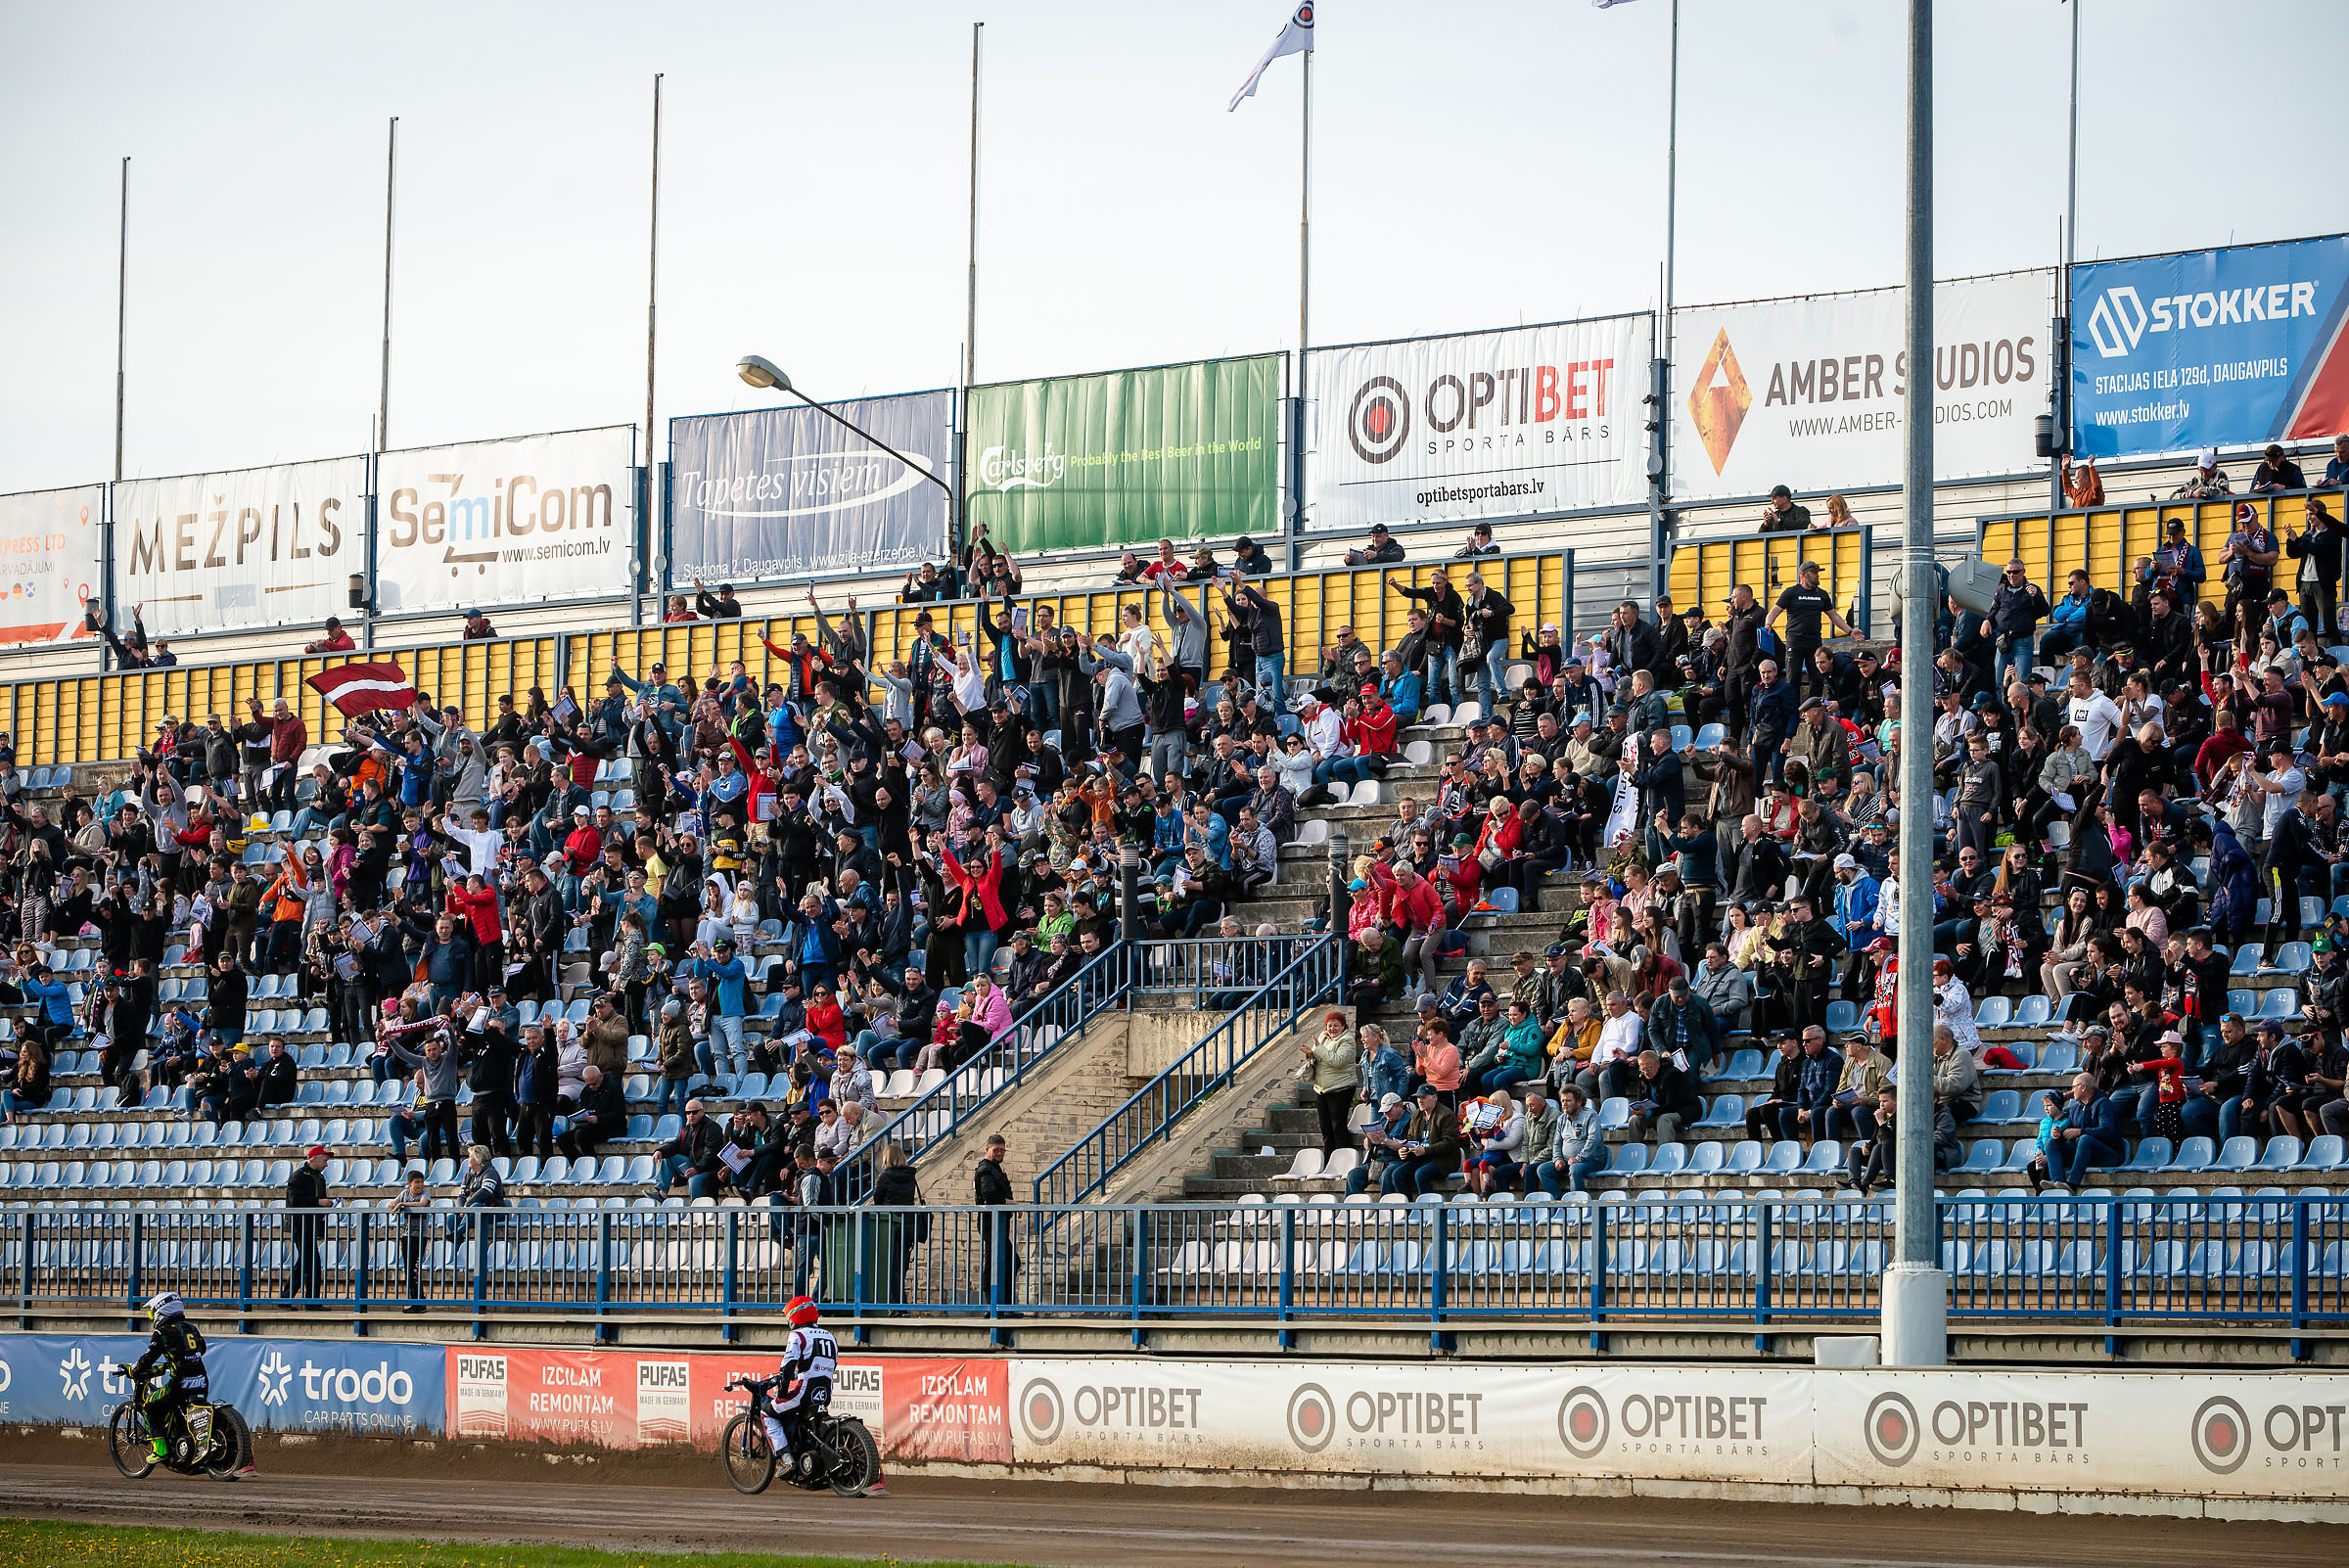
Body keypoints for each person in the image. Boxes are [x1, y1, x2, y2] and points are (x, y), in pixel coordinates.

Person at [124, 1292, 211, 1463]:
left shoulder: (162, 1333)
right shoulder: (191, 1328)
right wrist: (171, 1364)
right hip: (201, 1382)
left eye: (152, 1313)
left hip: (179, 1385)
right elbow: (201, 1349)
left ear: (160, 1311)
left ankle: (160, 1450)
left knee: (150, 1406)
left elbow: (147, 1359)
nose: (151, 1317)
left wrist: (133, 1370)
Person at [759, 1295, 839, 1478]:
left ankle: (787, 1460)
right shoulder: (830, 1337)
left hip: (804, 1393)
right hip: (825, 1393)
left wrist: (783, 1392)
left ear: (795, 1317)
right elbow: (824, 1366)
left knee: (767, 1413)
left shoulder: (797, 1335)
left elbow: (787, 1368)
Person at [283, 1144, 333, 1306]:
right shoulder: (299, 1176)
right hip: (300, 1224)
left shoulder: (318, 1177)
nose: (326, 1164)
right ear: (314, 1159)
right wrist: (318, 1202)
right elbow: (294, 1200)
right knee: (309, 1261)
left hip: (311, 1224)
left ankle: (300, 1299)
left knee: (308, 1261)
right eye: (324, 1160)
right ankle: (301, 1300)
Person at [974, 1132, 1017, 1307]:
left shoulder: (993, 1168)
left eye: (1002, 1150)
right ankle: (993, 1304)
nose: (1000, 1153)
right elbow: (989, 1195)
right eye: (996, 1150)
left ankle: (1003, 1303)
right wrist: (1010, 1203)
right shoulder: (985, 1169)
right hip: (990, 1223)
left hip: (997, 1223)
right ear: (987, 1149)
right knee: (994, 1263)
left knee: (1008, 1262)